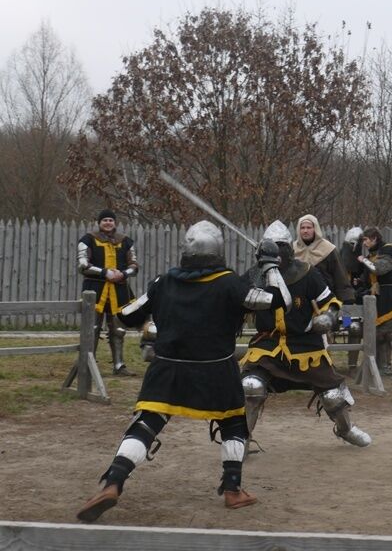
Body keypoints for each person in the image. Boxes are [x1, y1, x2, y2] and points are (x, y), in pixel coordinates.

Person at [76, 221, 288, 522]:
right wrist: (269, 265)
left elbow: (126, 315)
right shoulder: (229, 283)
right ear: (218, 252)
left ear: (186, 251)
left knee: (146, 423)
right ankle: (232, 489)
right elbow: (279, 300)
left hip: (167, 370)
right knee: (234, 425)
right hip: (216, 372)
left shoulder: (164, 282)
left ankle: (113, 483)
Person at [240, 220, 371, 449]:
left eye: (281, 245)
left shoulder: (307, 273)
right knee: (251, 385)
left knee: (333, 396)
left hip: (305, 345)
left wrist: (328, 317)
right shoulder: (254, 276)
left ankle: (345, 428)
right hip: (267, 343)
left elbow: (330, 301)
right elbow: (234, 305)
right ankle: (242, 438)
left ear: (288, 248)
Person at [77, 208, 138, 376]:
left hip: (118, 289)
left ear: (115, 223)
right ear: (99, 223)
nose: (108, 223)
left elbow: (134, 265)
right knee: (93, 327)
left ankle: (119, 365)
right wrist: (105, 273)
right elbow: (83, 265)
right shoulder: (87, 240)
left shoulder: (125, 241)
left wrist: (123, 273)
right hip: (95, 289)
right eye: (105, 220)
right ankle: (88, 365)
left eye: (111, 220)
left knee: (118, 329)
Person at [357, 227, 392, 380]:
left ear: (374, 238)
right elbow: (370, 277)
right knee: (379, 334)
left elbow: (379, 269)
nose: (365, 243)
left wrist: (364, 260)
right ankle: (384, 367)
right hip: (378, 297)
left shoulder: (389, 250)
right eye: (363, 240)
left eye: (366, 239)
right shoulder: (372, 254)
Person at [293, 214, 356, 303]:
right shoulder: (292, 250)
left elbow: (340, 276)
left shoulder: (328, 249)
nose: (305, 231)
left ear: (315, 229)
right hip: (300, 301)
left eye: (309, 227)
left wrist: (347, 298)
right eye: (302, 228)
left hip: (325, 300)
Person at [339, 226, 366, 374]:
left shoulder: (361, 263)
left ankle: (352, 366)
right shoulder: (337, 261)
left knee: (355, 329)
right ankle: (327, 365)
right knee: (324, 329)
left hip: (354, 307)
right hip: (337, 307)